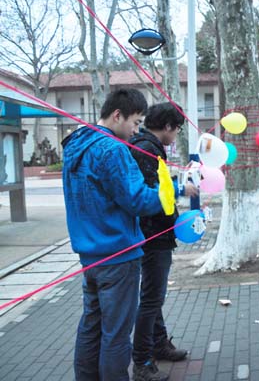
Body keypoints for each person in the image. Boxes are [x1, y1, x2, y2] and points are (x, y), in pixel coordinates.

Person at [62, 89, 164, 381]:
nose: (136, 130)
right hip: (118, 255)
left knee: (91, 326)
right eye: (135, 122)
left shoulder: (76, 144)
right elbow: (137, 200)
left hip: (90, 255)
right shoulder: (113, 148)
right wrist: (165, 194)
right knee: (117, 334)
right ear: (117, 115)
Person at [129, 103, 198, 381]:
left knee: (153, 297)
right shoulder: (147, 148)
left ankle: (158, 345)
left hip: (154, 234)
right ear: (168, 126)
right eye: (177, 128)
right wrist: (181, 188)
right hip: (153, 235)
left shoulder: (146, 146)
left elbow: (157, 186)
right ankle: (142, 363)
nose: (177, 134)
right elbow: (151, 195)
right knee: (151, 299)